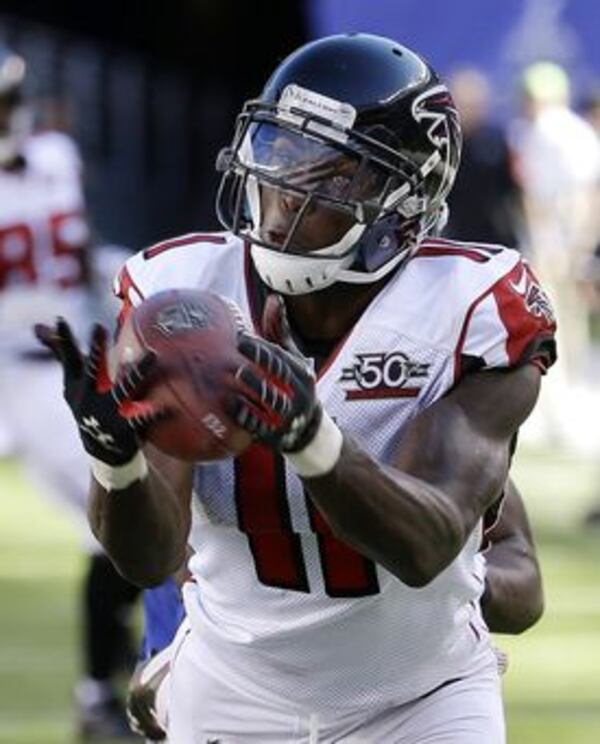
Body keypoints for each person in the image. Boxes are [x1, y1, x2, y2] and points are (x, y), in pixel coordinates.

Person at [38, 33, 556, 743]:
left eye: (334, 173)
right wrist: (116, 462)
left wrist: (312, 439)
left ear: (404, 198)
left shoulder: (471, 305)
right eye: (279, 150)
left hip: (421, 696)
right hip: (233, 690)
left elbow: (426, 546)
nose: (286, 188)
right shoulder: (181, 291)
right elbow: (152, 557)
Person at [125, 475, 544, 741]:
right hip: (236, 671)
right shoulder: (206, 381)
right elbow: (163, 552)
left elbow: (524, 585)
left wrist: (453, 586)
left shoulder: (428, 399)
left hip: (411, 696)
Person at [0, 46, 139, 739]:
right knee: (117, 510)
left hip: (72, 360)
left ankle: (106, 687)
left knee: (125, 511)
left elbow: (78, 253)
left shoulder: (55, 156)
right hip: (16, 369)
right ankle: (100, 692)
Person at [445, 68, 521, 248]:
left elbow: (514, 191)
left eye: (475, 104)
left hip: (495, 238)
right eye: (464, 104)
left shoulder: (497, 140)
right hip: (454, 237)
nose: (470, 109)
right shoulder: (443, 143)